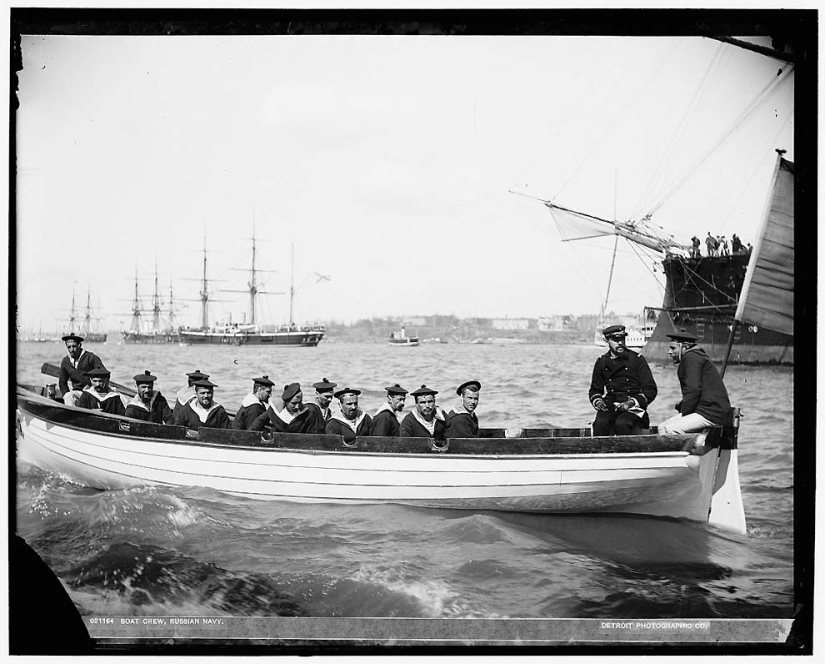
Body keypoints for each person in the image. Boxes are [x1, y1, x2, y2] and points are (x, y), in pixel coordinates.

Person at [658, 330, 733, 434]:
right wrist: (683, 407)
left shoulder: (691, 358)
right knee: (662, 428)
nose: (669, 352)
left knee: (669, 429)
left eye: (673, 348)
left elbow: (693, 390)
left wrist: (684, 411)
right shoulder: (695, 357)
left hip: (711, 413)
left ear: (685, 347)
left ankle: (692, 449)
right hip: (706, 411)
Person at [589, 325, 658, 436]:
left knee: (623, 424)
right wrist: (598, 401)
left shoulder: (637, 360)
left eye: (622, 339)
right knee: (600, 423)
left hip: (634, 407)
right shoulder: (601, 362)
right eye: (616, 340)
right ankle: (601, 452)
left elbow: (650, 390)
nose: (620, 342)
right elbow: (595, 390)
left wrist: (631, 402)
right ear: (606, 340)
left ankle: (625, 451)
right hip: (610, 404)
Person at [250, 383, 324, 434]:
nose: (297, 406)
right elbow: (257, 424)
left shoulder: (307, 414)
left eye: (300, 402)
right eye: (293, 404)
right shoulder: (274, 410)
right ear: (285, 402)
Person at [58, 333, 106, 406]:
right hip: (78, 393)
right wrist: (65, 394)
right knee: (68, 396)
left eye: (74, 346)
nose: (71, 350)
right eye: (69, 347)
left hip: (93, 392)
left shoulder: (91, 358)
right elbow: (62, 382)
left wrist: (91, 386)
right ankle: (73, 415)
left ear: (79, 345)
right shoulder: (66, 362)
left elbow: (103, 373)